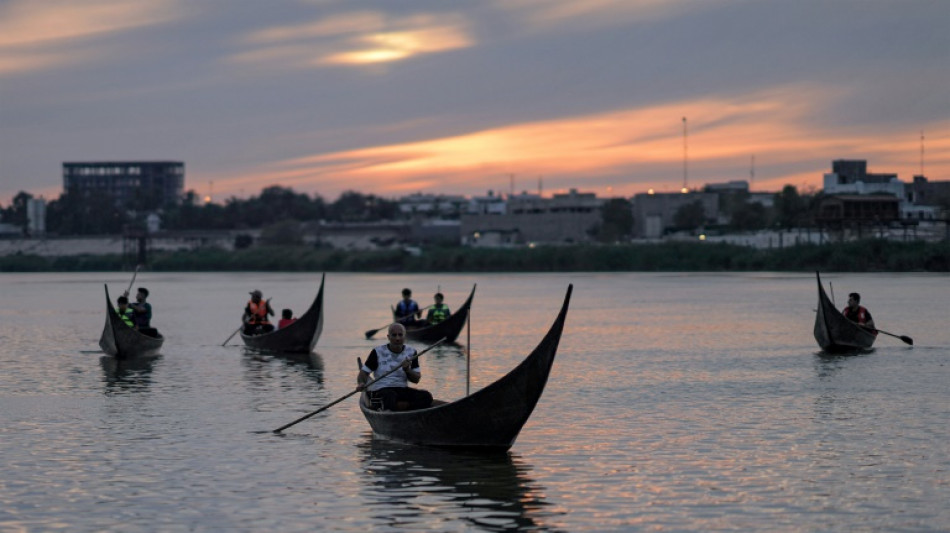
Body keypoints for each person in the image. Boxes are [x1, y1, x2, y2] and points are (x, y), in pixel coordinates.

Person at [356, 323, 433, 411]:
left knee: (426, 396)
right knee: (389, 395)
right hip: (383, 389)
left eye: (400, 335)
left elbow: (416, 379)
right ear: (388, 337)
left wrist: (407, 370)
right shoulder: (377, 352)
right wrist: (361, 383)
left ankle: (403, 407)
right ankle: (390, 409)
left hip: (402, 389)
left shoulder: (411, 352)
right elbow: (364, 373)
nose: (397, 338)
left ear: (404, 337)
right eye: (394, 335)